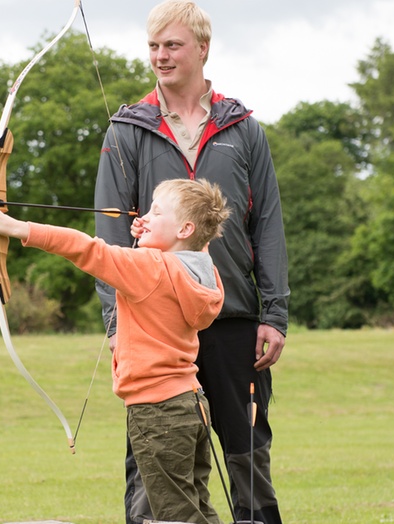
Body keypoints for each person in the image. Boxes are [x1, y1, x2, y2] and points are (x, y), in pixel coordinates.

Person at [93, 1, 290, 523]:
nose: (161, 56)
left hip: (234, 322)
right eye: (154, 46)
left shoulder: (243, 128)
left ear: (203, 48)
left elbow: (267, 223)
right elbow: (109, 237)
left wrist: (274, 314)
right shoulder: (127, 129)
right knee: (153, 455)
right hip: (154, 329)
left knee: (247, 450)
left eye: (172, 45)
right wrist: (115, 325)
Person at [0, 178, 230, 524]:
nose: (144, 216)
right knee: (195, 506)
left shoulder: (149, 269)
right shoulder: (204, 273)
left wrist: (16, 227)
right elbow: (190, 249)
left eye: (155, 211)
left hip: (157, 411)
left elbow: (85, 248)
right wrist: (157, 233)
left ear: (185, 227)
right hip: (190, 405)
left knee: (175, 514)